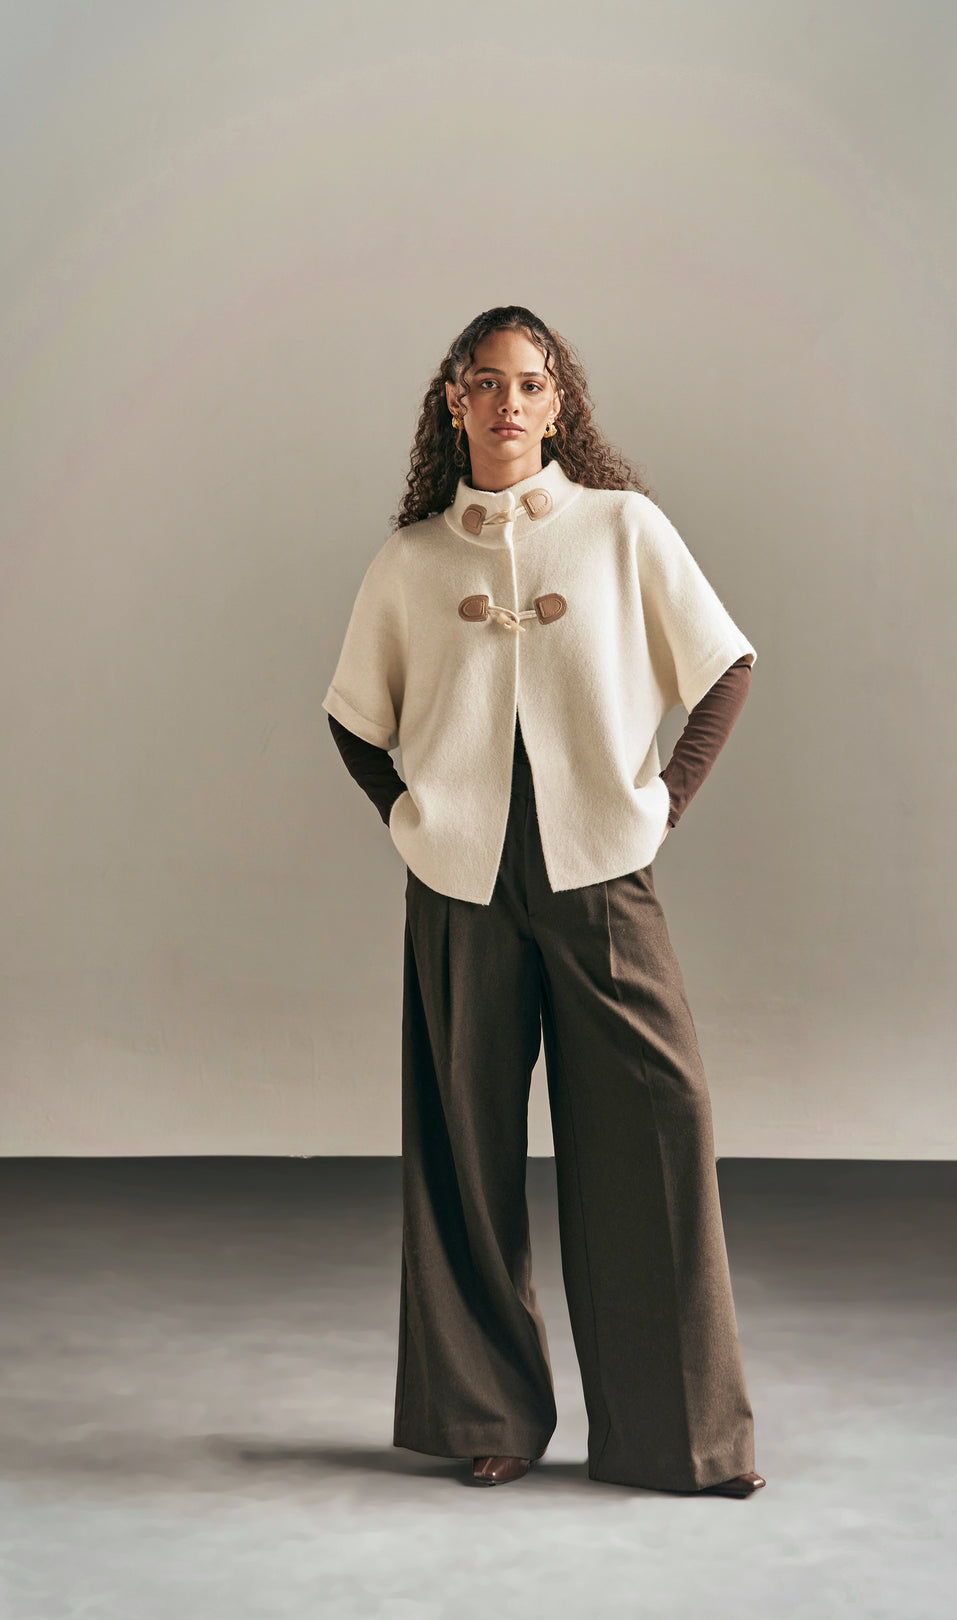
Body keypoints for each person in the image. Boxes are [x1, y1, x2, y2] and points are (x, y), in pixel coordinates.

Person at [322, 305, 765, 1499]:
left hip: (601, 873)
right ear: (454, 402)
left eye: (530, 383)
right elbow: (354, 719)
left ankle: (679, 1437)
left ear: (559, 403)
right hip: (460, 887)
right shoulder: (412, 561)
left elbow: (725, 664)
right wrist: (411, 819)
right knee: (464, 1154)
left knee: (658, 1127)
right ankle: (491, 1413)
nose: (507, 403)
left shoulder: (622, 529)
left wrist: (663, 802)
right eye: (485, 383)